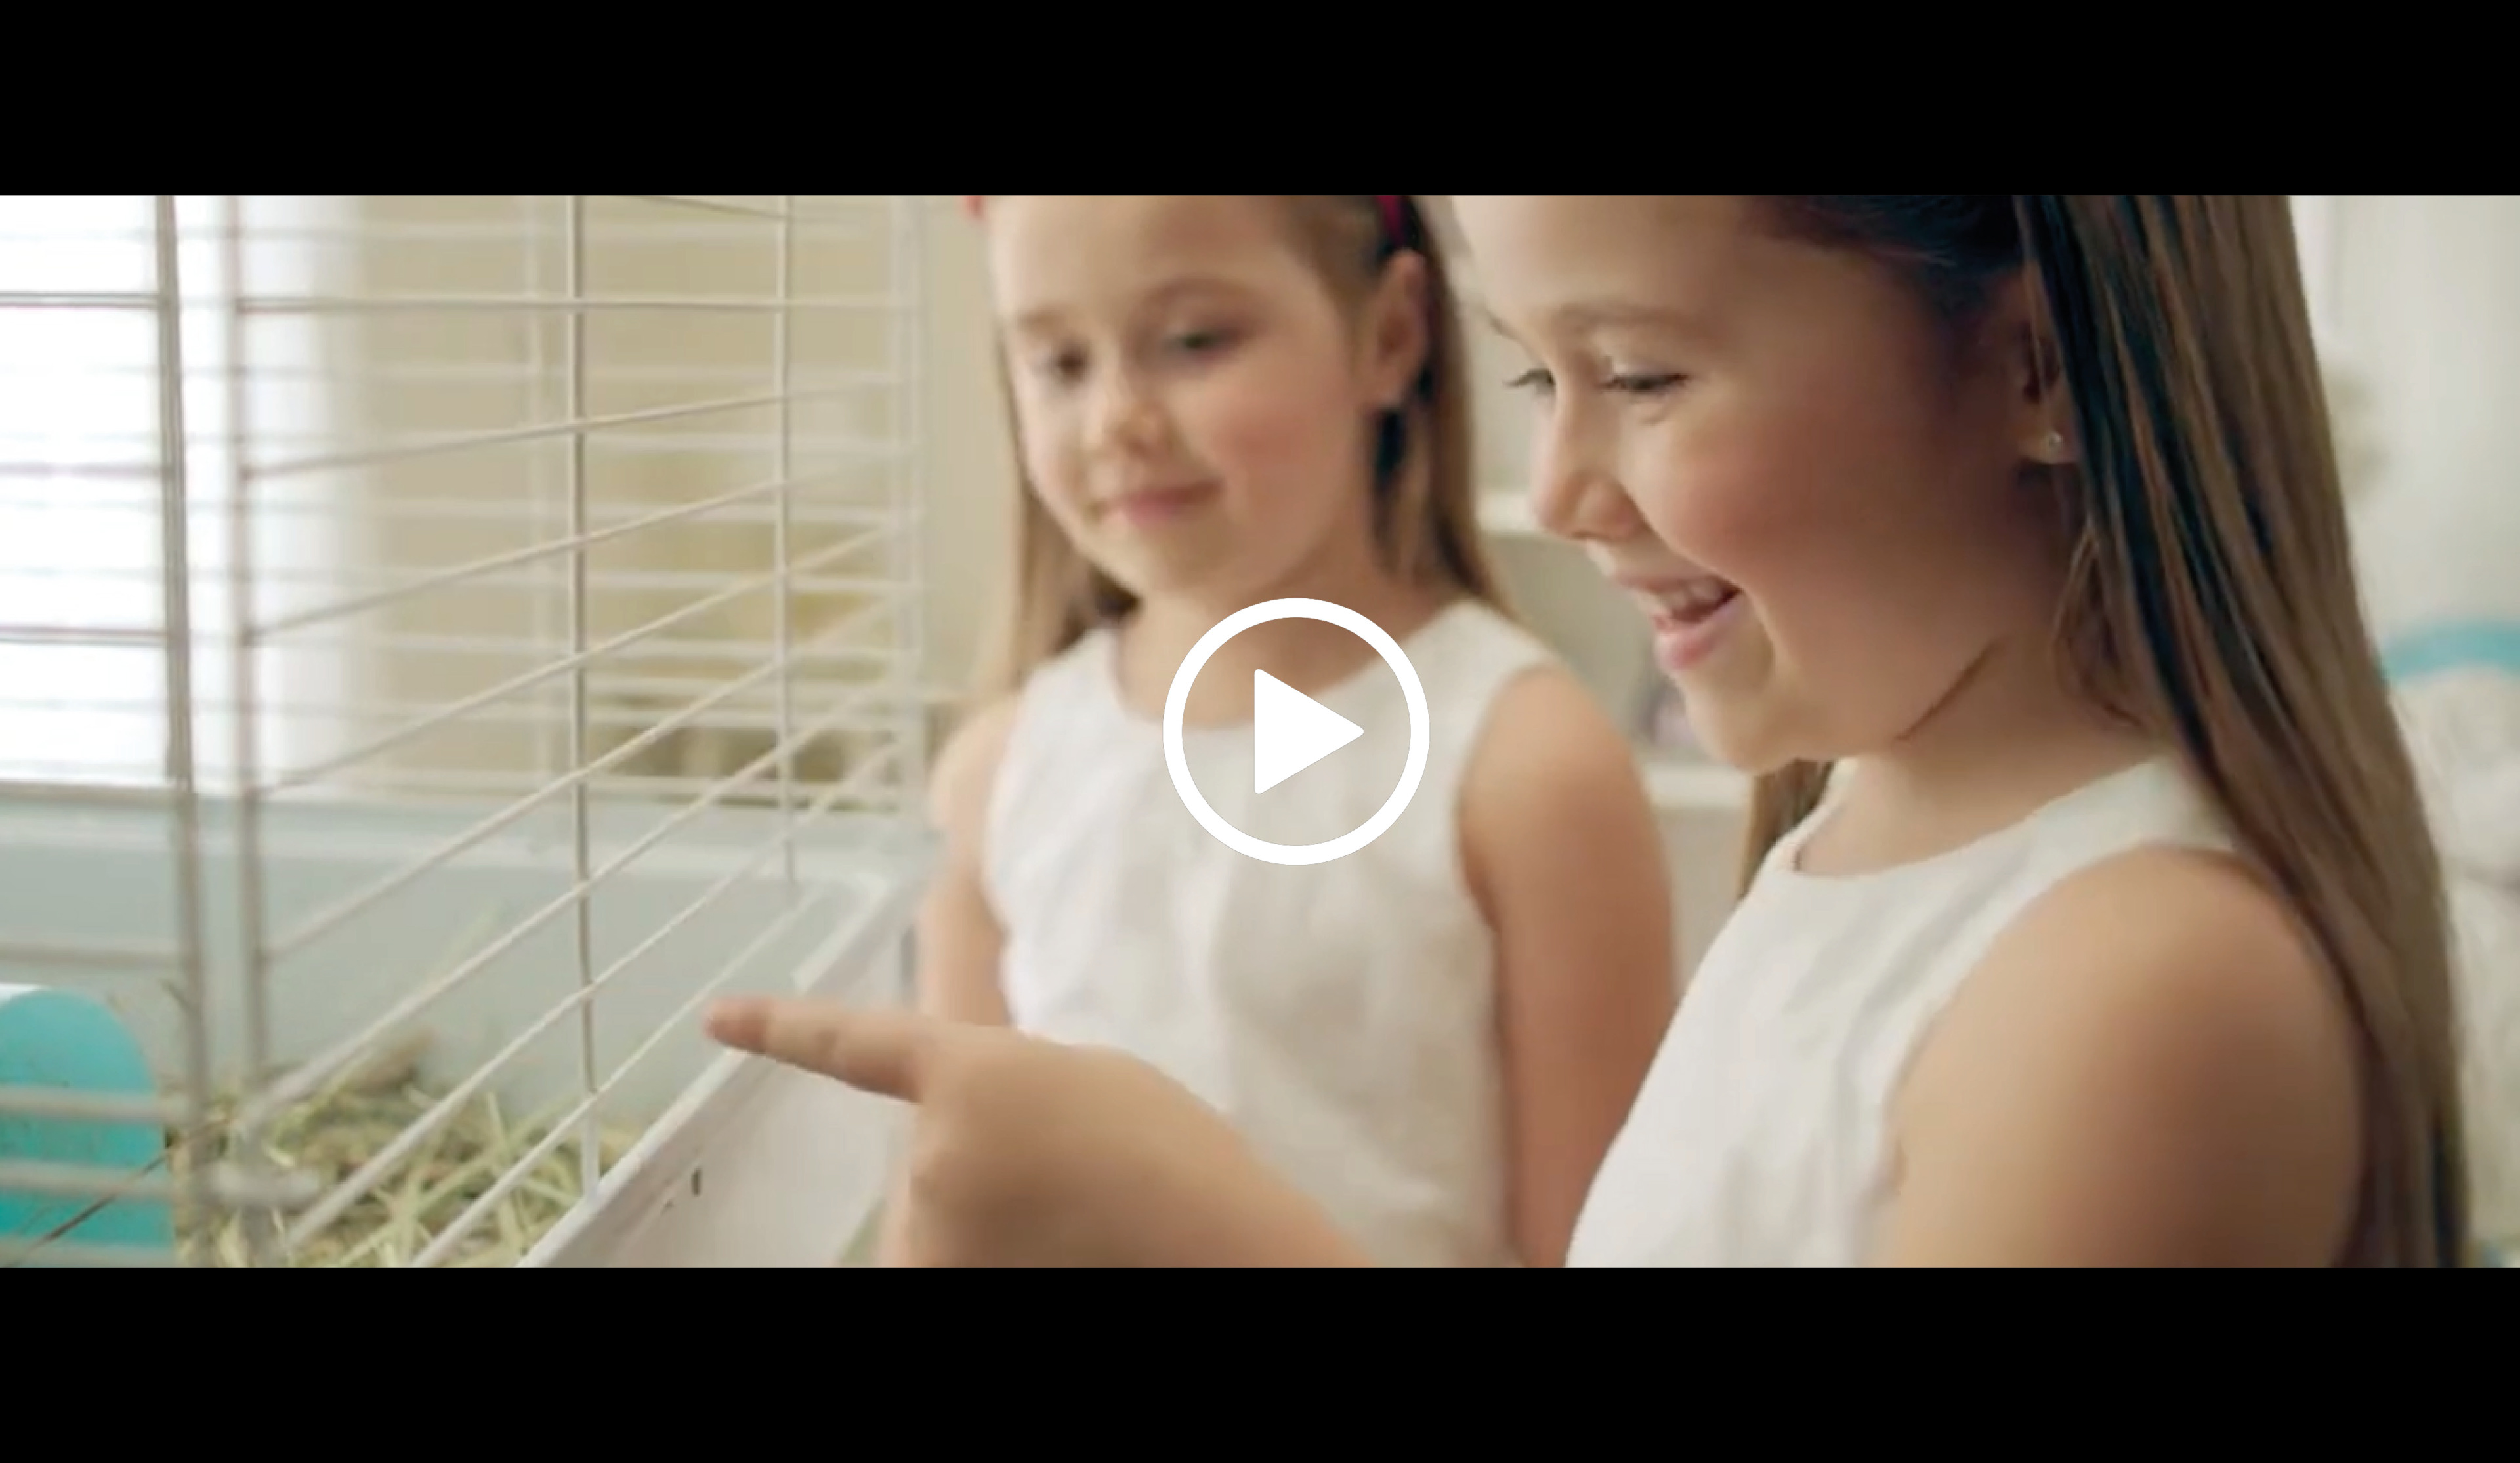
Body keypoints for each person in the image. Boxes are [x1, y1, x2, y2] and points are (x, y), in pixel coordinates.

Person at [719, 195, 2472, 1269]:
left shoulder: (2145, 991)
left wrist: (1213, 1225)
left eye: (1637, 373)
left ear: (2036, 365)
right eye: (1536, 375)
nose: (1557, 489)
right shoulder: (1853, 830)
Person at [856, 194, 1676, 1268]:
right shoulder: (993, 777)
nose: (1116, 422)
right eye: (1060, 363)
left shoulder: (1528, 766)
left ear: (1389, 337)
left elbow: (1598, 1248)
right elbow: (943, 1209)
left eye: (1196, 340)